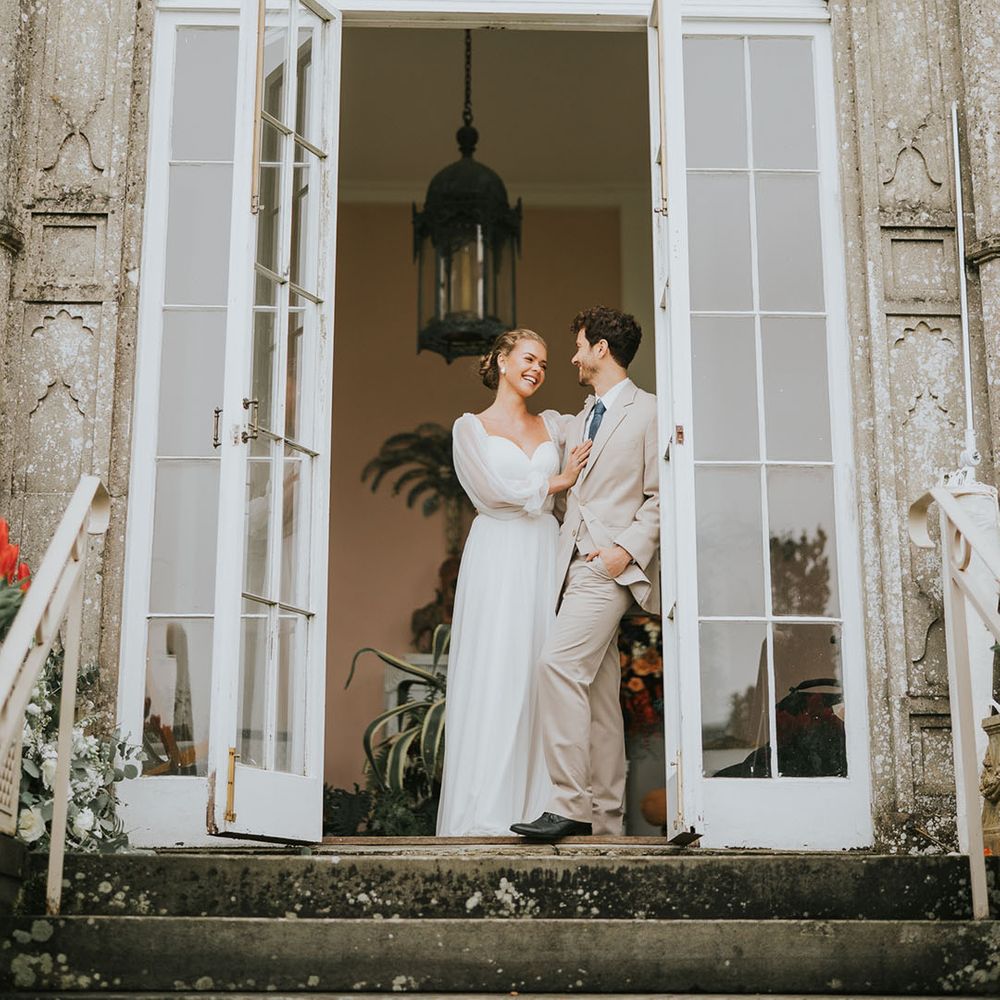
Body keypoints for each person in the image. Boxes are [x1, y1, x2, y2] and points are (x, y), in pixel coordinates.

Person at [511, 306, 660, 841]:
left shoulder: (650, 412)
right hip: (567, 566)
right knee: (599, 699)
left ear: (601, 348)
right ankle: (607, 826)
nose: (572, 357)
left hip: (607, 567)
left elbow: (661, 495)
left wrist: (625, 549)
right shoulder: (577, 419)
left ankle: (569, 804)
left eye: (577, 346)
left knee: (556, 667)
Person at [436, 328, 592, 837]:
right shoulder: (470, 429)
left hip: (543, 553)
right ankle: (485, 811)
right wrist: (555, 482)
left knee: (541, 671)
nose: (538, 370)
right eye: (529, 359)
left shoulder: (553, 425)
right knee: (496, 670)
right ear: (502, 361)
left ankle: (543, 804)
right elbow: (492, 492)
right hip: (498, 554)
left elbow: (602, 425)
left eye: (545, 364)